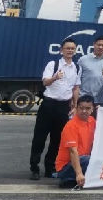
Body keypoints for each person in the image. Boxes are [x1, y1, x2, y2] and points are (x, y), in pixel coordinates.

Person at [30, 38, 81, 180]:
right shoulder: (53, 64)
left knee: (57, 139)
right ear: (61, 50)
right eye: (67, 48)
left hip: (64, 107)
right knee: (39, 138)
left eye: (72, 48)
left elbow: (76, 88)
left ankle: (50, 168)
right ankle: (34, 167)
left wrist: (75, 105)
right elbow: (45, 82)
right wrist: (54, 78)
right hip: (49, 105)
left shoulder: (77, 67)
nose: (70, 50)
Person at [55, 95, 96, 188]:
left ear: (92, 109)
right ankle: (71, 178)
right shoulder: (71, 126)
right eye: (81, 108)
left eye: (88, 108)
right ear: (76, 108)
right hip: (67, 166)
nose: (84, 111)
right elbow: (73, 152)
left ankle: (74, 180)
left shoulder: (92, 121)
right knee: (90, 160)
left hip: (83, 160)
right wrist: (79, 173)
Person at [78, 35, 103, 105]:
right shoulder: (83, 59)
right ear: (94, 44)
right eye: (98, 45)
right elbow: (77, 80)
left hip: (101, 100)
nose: (100, 47)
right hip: (84, 99)